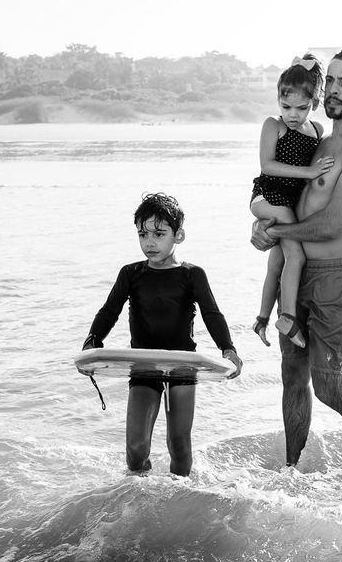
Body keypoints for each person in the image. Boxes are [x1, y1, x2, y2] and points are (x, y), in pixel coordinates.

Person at [251, 44, 342, 467]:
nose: (333, 89)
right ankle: (290, 472)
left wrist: (276, 232)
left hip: (335, 278)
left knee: (328, 386)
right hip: (300, 272)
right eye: (330, 80)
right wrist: (262, 225)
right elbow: (285, 192)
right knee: (291, 378)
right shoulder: (319, 140)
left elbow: (333, 224)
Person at [82, 192, 243, 477]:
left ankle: (179, 497)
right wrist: (92, 342)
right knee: (135, 447)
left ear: (178, 235)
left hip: (182, 366)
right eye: (143, 234)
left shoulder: (192, 275)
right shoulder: (130, 274)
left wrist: (228, 350)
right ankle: (140, 495)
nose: (149, 242)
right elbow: (109, 311)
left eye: (159, 233)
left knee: (179, 444)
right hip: (144, 366)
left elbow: (212, 314)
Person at [249, 54, 336, 349]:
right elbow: (267, 165)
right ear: (277, 100)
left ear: (314, 103)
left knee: (278, 260)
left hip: (289, 203)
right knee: (296, 257)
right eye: (286, 107)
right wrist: (310, 172)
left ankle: (261, 318)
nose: (293, 115)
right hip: (268, 197)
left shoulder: (318, 132)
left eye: (301, 108)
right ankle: (286, 317)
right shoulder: (274, 126)